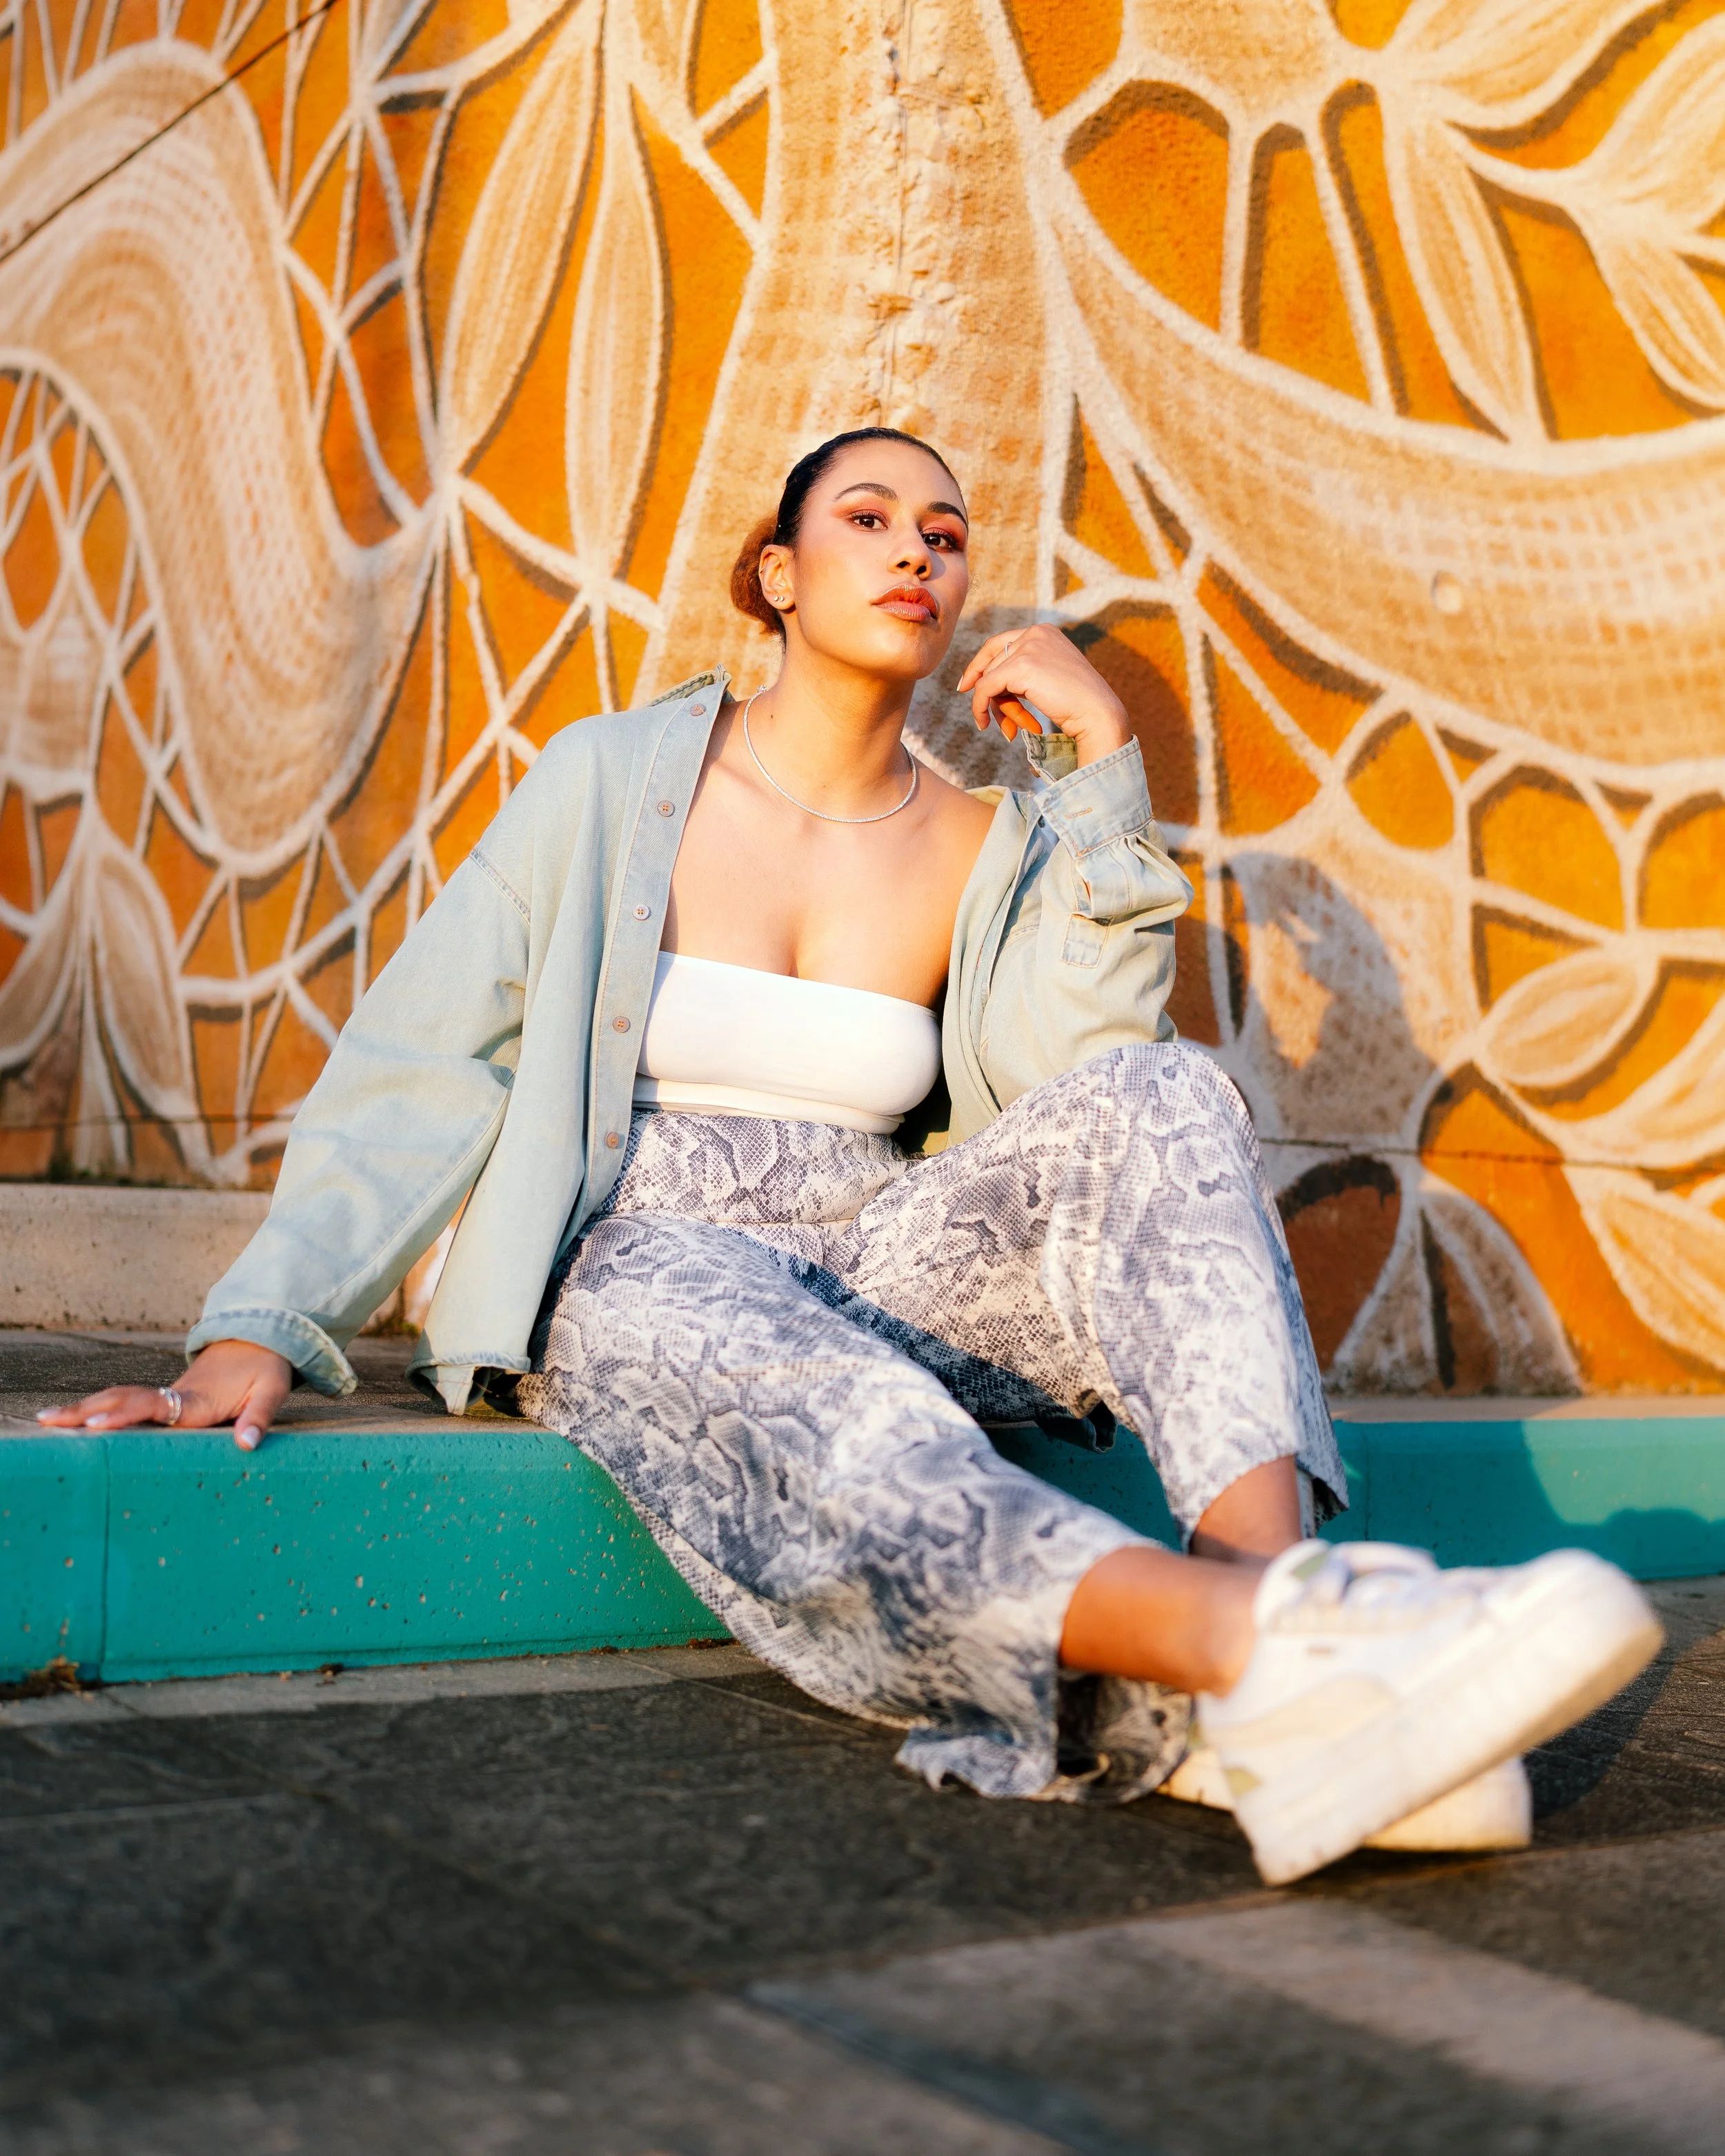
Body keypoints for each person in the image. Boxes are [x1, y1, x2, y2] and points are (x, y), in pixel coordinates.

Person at [43, 428, 1660, 1885]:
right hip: (648, 1253)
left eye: (944, 532)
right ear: (778, 570)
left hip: (887, 1251)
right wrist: (257, 1326)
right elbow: (427, 1054)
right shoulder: (609, 782)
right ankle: (1268, 1660)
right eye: (869, 516)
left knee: (1174, 1099)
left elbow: (1084, 1096)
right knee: (840, 1407)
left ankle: (1284, 1607)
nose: (913, 550)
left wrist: (1097, 787)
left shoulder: (981, 840)